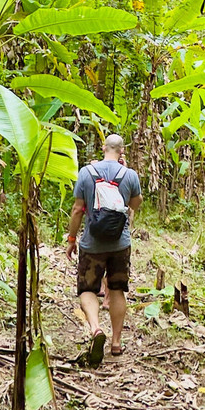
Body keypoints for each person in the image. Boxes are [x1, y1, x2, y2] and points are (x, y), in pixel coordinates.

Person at [65, 134, 142, 366]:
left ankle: (96, 329)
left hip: (92, 243)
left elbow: (78, 209)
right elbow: (135, 204)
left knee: (87, 288)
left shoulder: (86, 173)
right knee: (117, 290)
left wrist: (71, 239)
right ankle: (116, 343)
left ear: (103, 148)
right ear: (122, 151)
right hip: (120, 243)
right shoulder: (130, 175)